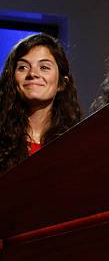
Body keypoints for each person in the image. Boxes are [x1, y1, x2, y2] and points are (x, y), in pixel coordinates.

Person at [0, 33, 81, 173]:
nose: (33, 73)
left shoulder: (76, 142)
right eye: (23, 67)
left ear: (62, 83)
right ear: (12, 80)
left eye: (44, 67)